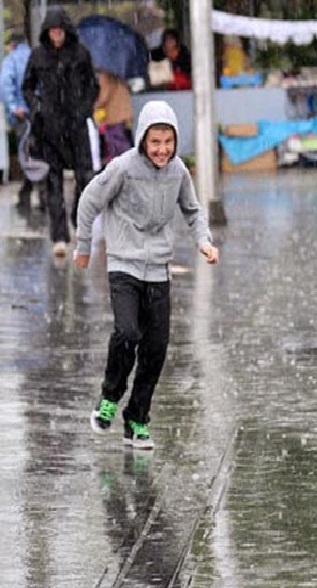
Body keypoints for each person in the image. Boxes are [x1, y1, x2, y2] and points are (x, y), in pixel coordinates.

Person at [74, 101, 219, 449]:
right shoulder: (123, 168)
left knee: (156, 348)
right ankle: (109, 397)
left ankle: (137, 419)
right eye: (155, 142)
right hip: (123, 264)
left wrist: (204, 241)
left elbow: (193, 210)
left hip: (158, 269)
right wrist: (83, 245)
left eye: (168, 142)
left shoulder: (178, 171)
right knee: (127, 333)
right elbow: (89, 200)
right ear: (142, 139)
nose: (162, 150)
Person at [22, 8, 98, 257]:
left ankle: (78, 220)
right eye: (52, 31)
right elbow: (28, 87)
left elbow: (92, 86)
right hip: (50, 129)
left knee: (85, 178)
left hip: (76, 126)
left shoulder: (80, 54)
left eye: (60, 30)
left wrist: (85, 110)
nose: (57, 34)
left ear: (66, 31)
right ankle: (59, 236)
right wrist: (37, 108)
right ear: (47, 32)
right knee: (52, 183)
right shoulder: (37, 56)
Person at [1, 31, 40, 211]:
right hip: (38, 113)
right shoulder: (36, 56)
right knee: (37, 151)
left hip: (21, 114)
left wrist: (13, 106)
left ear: (12, 44)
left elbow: (6, 84)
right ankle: (39, 193)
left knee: (25, 153)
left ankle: (28, 192)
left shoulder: (11, 60)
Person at [95, 70, 133, 165]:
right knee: (122, 139)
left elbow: (103, 96)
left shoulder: (104, 76)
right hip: (123, 113)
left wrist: (93, 105)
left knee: (116, 141)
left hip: (114, 115)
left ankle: (124, 164)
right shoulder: (118, 75)